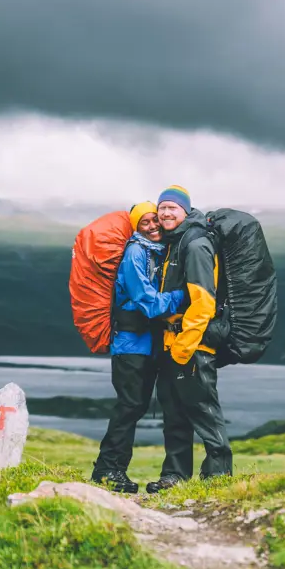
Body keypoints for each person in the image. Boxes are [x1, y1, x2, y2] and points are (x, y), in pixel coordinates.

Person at [91, 201, 184, 493]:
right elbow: (148, 302)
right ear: (135, 227)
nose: (154, 226)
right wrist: (187, 295)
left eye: (155, 220)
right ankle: (107, 471)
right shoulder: (135, 253)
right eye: (145, 223)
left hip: (147, 344)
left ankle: (113, 470)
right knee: (130, 405)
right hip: (130, 344)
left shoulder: (158, 251)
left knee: (135, 405)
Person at [146, 185, 233, 494]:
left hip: (193, 345)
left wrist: (185, 344)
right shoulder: (175, 243)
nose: (166, 213)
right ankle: (175, 477)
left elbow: (203, 302)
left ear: (186, 211)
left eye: (173, 208)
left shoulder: (195, 245)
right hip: (174, 345)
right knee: (174, 413)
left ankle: (218, 478)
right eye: (162, 208)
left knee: (203, 411)